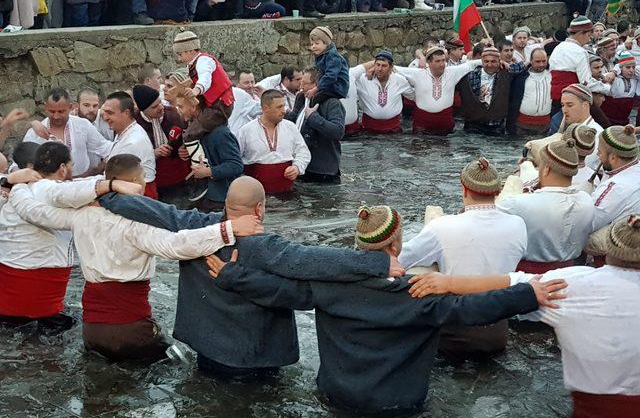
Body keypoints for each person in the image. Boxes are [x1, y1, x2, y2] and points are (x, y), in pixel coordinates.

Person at [205, 204, 561, 414]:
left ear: (358, 243)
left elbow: (281, 291)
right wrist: (528, 293)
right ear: (397, 242)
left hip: (336, 398)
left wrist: (234, 275)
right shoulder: (420, 294)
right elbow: (474, 309)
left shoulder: (328, 286)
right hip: (398, 405)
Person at [98, 176, 402, 377]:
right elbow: (314, 260)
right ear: (260, 208)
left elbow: (155, 210)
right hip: (255, 360)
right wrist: (376, 263)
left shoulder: (195, 228)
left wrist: (107, 195)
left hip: (206, 351)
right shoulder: (265, 247)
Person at [9, 153, 262, 361]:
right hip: (132, 331)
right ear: (136, 184)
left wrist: (17, 184)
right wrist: (228, 229)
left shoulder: (80, 215)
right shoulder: (136, 224)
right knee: (179, 365)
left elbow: (34, 212)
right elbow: (176, 245)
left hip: (92, 331)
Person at [408, 214, 640, 418]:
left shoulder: (572, 284)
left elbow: (510, 283)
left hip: (593, 408)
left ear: (608, 249)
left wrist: (448, 282)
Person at [0, 142, 135, 331]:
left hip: (10, 295)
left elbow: (74, 186)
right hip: (36, 300)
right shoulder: (47, 188)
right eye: (71, 165)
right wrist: (111, 184)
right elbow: (67, 193)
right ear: (62, 168)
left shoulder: (16, 187)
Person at [400, 158, 527, 357]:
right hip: (498, 332)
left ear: (464, 189)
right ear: (498, 191)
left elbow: (400, 260)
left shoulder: (441, 226)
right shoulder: (518, 224)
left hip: (453, 329)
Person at [498, 139, 595, 273]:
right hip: (571, 272)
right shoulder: (587, 200)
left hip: (527, 277)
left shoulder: (519, 203)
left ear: (546, 169)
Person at [23, 88, 113, 177]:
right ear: (45, 107)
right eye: (52, 111)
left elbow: (107, 149)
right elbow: (18, 164)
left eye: (61, 111)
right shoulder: (34, 133)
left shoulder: (82, 125)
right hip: (50, 187)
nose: (56, 116)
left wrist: (97, 170)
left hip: (83, 183)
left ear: (70, 107)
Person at [236, 89, 310, 193]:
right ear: (266, 108)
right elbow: (236, 158)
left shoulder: (290, 127)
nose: (284, 110)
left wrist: (297, 167)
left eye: (284, 106)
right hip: (256, 193)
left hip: (286, 191)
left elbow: (303, 152)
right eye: (279, 107)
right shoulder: (246, 130)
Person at [395, 47, 481, 134]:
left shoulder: (452, 72)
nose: (442, 64)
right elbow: (394, 69)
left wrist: (488, 58)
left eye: (443, 60)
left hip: (445, 127)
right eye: (438, 61)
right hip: (422, 127)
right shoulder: (418, 74)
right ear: (429, 62)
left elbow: (470, 65)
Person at [172, 29, 235, 143]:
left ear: (190, 51)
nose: (179, 58)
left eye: (180, 54)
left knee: (189, 135)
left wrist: (196, 90)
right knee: (192, 128)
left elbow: (205, 79)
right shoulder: (192, 65)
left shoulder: (204, 61)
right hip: (212, 105)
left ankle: (197, 159)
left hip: (220, 105)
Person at [286, 66, 345, 183]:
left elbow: (338, 132)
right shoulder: (302, 99)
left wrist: (313, 117)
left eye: (304, 84)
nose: (300, 87)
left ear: (316, 85)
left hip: (323, 171)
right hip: (301, 166)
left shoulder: (332, 103)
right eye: (300, 83)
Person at [132, 85, 191, 199]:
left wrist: (184, 148)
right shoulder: (135, 124)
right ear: (143, 109)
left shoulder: (174, 114)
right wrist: (153, 153)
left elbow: (187, 136)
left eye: (160, 102)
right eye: (154, 107)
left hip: (179, 176)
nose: (160, 107)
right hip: (151, 179)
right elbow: (131, 154)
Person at [588, 126, 640, 254]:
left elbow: (589, 221)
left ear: (613, 158)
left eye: (600, 151)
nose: (597, 154)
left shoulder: (616, 187)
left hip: (622, 251)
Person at [458, 46, 526, 135]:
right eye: (486, 61)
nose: (489, 65)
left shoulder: (506, 72)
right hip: (473, 126)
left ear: (499, 61)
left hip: (496, 126)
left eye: (493, 61)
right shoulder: (470, 75)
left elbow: (523, 66)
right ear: (481, 61)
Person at [102, 91, 157, 198]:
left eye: (110, 113)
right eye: (104, 112)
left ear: (126, 113)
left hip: (139, 195)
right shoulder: (125, 131)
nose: (105, 117)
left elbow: (114, 179)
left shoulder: (132, 142)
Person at [353, 51, 415, 133]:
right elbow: (349, 76)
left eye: (384, 66)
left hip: (393, 130)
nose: (380, 69)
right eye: (377, 65)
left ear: (391, 67)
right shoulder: (363, 79)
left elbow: (413, 96)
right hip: (368, 130)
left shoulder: (399, 80)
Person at [549, 15, 597, 114]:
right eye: (588, 35)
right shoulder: (580, 52)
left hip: (554, 97)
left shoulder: (558, 47)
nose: (588, 40)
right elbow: (587, 83)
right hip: (572, 97)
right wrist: (607, 88)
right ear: (580, 33)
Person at [508, 47, 552, 135]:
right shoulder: (521, 77)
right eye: (537, 61)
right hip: (522, 125)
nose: (541, 64)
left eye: (544, 61)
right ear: (530, 61)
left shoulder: (552, 76)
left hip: (545, 126)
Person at [600, 51, 640, 126]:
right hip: (609, 118)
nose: (631, 70)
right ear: (620, 68)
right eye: (628, 67)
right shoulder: (612, 78)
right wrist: (614, 72)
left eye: (633, 67)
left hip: (624, 119)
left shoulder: (635, 78)